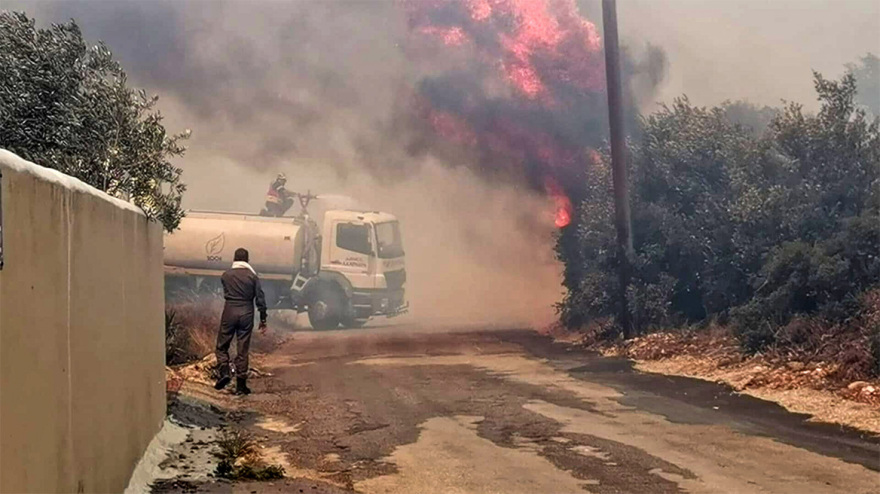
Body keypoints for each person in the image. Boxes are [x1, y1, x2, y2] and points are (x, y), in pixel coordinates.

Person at [215, 247, 268, 395]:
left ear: (234, 259)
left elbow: (226, 292)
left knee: (222, 345)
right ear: (247, 260)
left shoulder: (225, 275)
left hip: (229, 311)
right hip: (246, 313)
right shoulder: (252, 277)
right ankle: (241, 385)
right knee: (242, 349)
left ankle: (224, 372)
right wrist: (263, 318)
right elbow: (260, 299)